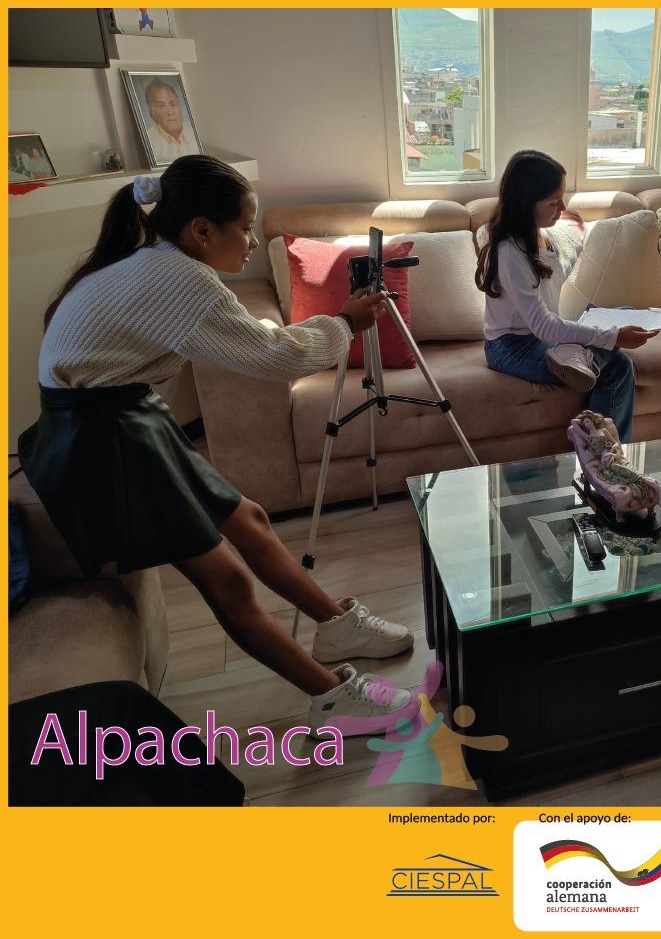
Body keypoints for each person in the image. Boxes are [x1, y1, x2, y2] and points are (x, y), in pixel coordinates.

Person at [18, 155, 416, 731]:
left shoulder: (157, 259)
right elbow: (275, 358)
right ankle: (333, 700)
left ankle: (336, 626)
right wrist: (346, 323)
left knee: (249, 520)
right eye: (246, 228)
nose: (253, 242)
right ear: (202, 229)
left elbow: (248, 338)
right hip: (102, 438)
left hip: (121, 414)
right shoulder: (179, 278)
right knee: (226, 580)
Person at [474, 150, 656, 442]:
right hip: (510, 348)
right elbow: (543, 326)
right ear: (526, 203)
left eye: (562, 198)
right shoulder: (509, 251)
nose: (562, 207)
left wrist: (578, 236)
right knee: (615, 356)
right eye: (553, 201)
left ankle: (603, 451)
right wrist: (612, 336)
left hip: (542, 339)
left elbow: (553, 277)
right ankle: (601, 454)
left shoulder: (539, 234)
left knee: (621, 336)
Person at [144, 79, 200, 162]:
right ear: (152, 112)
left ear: (180, 106)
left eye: (173, 104)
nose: (170, 112)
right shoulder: (147, 142)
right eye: (161, 106)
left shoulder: (196, 134)